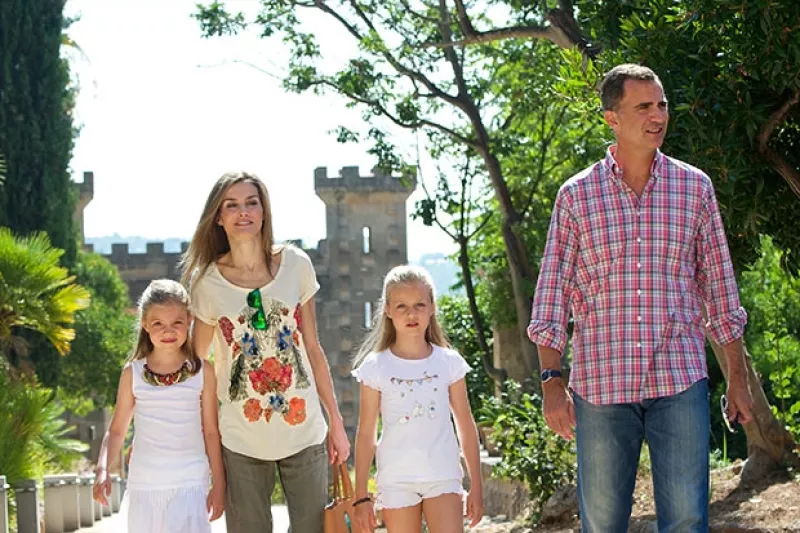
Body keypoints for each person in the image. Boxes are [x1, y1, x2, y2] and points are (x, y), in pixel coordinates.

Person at [528, 63, 755, 532]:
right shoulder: (576, 196)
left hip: (679, 378)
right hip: (601, 386)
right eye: (644, 106)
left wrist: (737, 376)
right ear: (612, 117)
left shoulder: (695, 189)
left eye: (663, 104)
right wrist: (552, 379)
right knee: (604, 524)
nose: (658, 116)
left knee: (687, 520)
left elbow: (720, 291)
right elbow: (552, 294)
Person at [183, 171, 350, 533]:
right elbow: (199, 369)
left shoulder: (296, 264)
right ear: (218, 217)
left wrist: (335, 421)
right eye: (232, 205)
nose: (243, 212)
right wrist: (194, 436)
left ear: (263, 211)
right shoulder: (207, 283)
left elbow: (313, 347)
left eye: (251, 202)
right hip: (240, 437)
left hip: (304, 431)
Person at [351, 265, 484, 533]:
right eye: (401, 306)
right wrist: (361, 495)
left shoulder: (449, 363)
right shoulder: (375, 367)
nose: (412, 313)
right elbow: (366, 433)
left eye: (420, 304)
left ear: (432, 307)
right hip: (396, 480)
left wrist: (477, 487)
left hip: (443, 475)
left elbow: (466, 426)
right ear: (387, 310)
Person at [93, 279, 225, 533]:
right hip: (145, 485)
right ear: (144, 324)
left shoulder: (202, 371)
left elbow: (211, 431)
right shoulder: (133, 373)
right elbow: (117, 430)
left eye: (177, 322)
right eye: (158, 324)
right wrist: (102, 470)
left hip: (191, 483)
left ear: (189, 320)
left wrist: (219, 483)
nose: (168, 331)